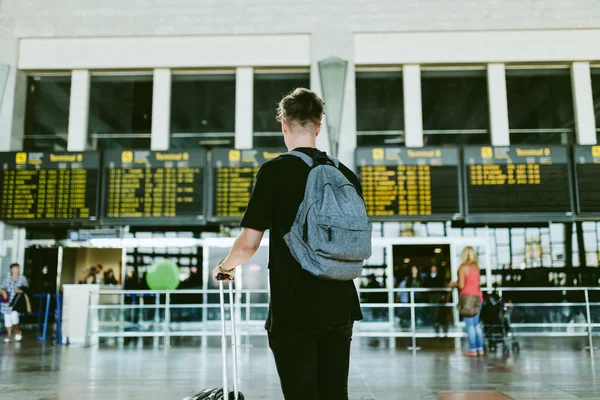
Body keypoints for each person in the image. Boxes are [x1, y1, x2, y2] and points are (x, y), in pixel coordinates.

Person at [211, 88, 363, 400]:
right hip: (341, 302)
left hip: (295, 304)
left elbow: (249, 244)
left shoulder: (275, 170)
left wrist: (225, 268)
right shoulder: (344, 173)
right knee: (335, 394)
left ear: (284, 125)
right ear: (318, 127)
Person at [451, 246, 484, 357]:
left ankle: (473, 350)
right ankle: (480, 348)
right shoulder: (476, 268)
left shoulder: (463, 267)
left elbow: (461, 285)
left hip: (468, 299)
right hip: (478, 298)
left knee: (470, 326)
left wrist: (453, 284)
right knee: (476, 325)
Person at [1, 263, 29, 343]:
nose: (16, 270)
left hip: (16, 302)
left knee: (14, 317)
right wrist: (3, 292)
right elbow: (1, 287)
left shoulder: (22, 278)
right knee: (7, 320)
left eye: (17, 268)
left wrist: (20, 290)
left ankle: (17, 331)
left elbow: (26, 289)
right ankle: (9, 337)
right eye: (15, 268)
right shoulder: (7, 279)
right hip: (6, 303)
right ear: (11, 270)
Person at [424, 265, 448, 333]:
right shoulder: (428, 277)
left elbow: (443, 285)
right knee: (432, 308)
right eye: (432, 268)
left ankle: (437, 321)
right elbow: (425, 285)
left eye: (434, 268)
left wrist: (443, 294)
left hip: (438, 294)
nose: (433, 269)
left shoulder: (440, 277)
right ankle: (434, 321)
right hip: (431, 295)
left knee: (437, 308)